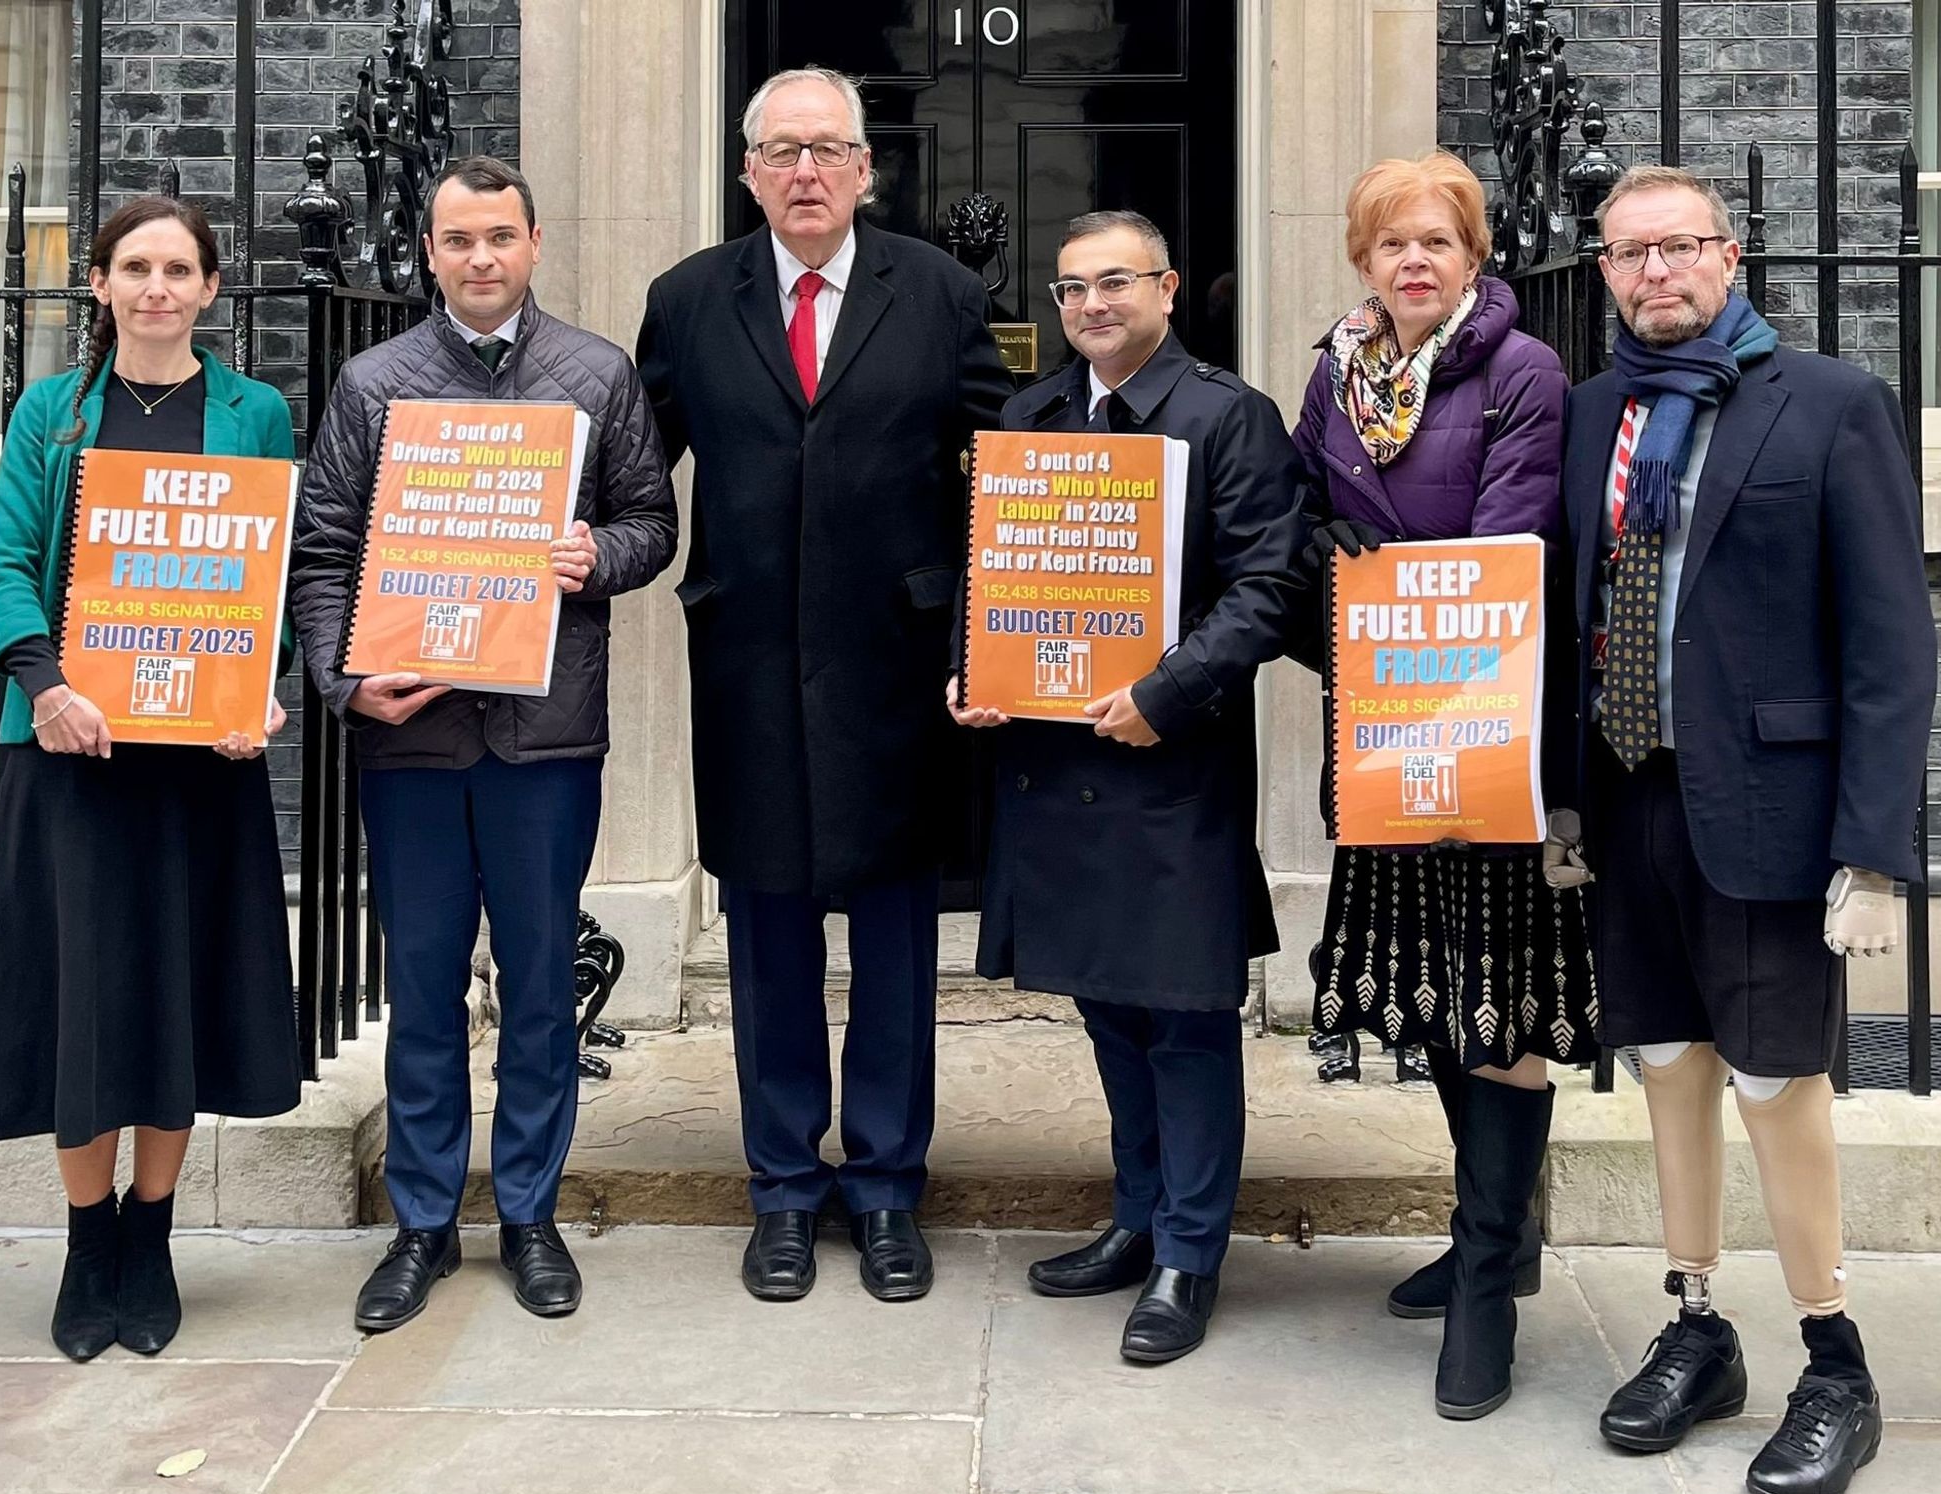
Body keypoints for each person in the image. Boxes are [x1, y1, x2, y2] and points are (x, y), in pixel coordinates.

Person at [1563, 165, 1929, 1494]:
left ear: (1728, 255)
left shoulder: (1828, 403)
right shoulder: (1594, 411)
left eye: (1677, 247)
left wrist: (1874, 848)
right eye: (1627, 253)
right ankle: (1697, 1324)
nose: (1653, 273)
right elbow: (1575, 610)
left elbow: (1890, 642)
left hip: (1773, 811)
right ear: (1604, 272)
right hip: (1629, 798)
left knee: (1777, 1084)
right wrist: (1560, 798)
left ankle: (1833, 1361)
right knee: (1667, 1064)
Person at [637, 67, 1009, 1303]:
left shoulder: (941, 293)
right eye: (781, 151)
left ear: (864, 170)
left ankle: (889, 1186)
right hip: (747, 662)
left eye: (827, 150)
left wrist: (1005, 622)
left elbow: (1006, 465)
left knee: (896, 941)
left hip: (896, 666)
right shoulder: (688, 299)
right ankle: (786, 1190)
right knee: (767, 939)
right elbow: (632, 474)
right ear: (747, 172)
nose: (805, 171)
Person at [289, 156, 677, 1332]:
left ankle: (528, 1214)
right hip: (413, 737)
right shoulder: (373, 383)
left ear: (534, 243)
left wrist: (595, 556)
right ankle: (421, 1223)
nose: (480, 258)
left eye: (499, 237)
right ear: (429, 252)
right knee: (420, 987)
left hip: (544, 737)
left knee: (540, 989)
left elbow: (651, 520)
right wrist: (345, 679)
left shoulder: (597, 374)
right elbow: (322, 552)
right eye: (457, 240)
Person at [950, 210, 1316, 1362]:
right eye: (1071, 289)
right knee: (1106, 1004)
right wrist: (972, 668)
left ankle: (1188, 1256)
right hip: (1056, 765)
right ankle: (1137, 1217)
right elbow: (991, 566)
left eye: (1114, 282)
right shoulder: (1029, 417)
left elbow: (1268, 587)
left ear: (1166, 288)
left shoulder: (1227, 416)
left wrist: (1168, 691)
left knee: (1184, 1016)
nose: (1091, 305)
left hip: (1170, 765)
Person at [0, 197, 300, 1360]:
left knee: (176, 988)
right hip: (71, 751)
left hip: (200, 761)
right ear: (98, 283)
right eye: (134, 267)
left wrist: (258, 693)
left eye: (178, 269)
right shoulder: (51, 413)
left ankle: (151, 1236)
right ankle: (85, 1240)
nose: (156, 287)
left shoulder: (254, 414)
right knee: (83, 997)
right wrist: (46, 687)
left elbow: (270, 577)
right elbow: (6, 562)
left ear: (209, 289)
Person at [1293, 152, 1599, 1419]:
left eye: (1433, 240)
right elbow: (1299, 511)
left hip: (1485, 731)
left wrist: (1384, 589)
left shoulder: (1521, 372)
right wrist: (1318, 550)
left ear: (1472, 255)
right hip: (1379, 735)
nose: (1410, 261)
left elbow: (1507, 545)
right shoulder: (1332, 375)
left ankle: (1484, 1282)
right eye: (1388, 243)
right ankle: (1499, 1235)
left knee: (1501, 1007)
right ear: (1362, 261)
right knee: (1431, 992)